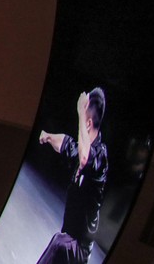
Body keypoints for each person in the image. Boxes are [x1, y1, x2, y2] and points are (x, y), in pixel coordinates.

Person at [36, 88, 108, 264]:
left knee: (59, 244)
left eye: (84, 120)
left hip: (78, 249)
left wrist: (80, 112)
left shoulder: (100, 156)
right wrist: (48, 137)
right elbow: (68, 144)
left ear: (88, 123)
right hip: (69, 241)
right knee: (60, 242)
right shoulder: (83, 148)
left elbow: (84, 158)